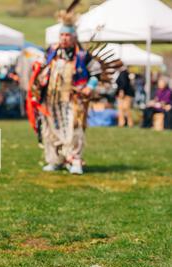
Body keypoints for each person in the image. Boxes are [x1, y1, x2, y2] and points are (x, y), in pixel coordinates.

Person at [27, 1, 122, 175]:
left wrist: (90, 86)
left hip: (73, 100)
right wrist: (40, 79)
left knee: (74, 130)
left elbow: (96, 72)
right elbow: (42, 70)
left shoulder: (82, 55)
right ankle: (55, 160)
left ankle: (75, 160)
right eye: (62, 35)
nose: (64, 38)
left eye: (67, 35)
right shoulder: (52, 52)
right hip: (52, 100)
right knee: (50, 130)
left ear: (73, 37)